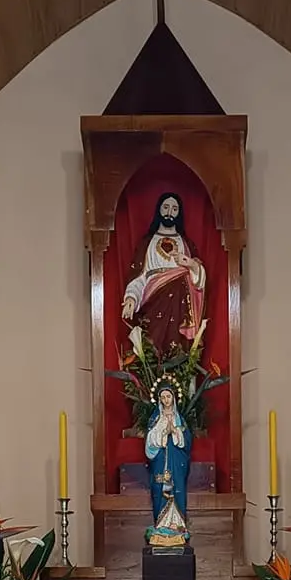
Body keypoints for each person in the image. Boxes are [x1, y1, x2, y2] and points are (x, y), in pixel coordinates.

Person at [120, 192, 207, 358]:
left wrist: (190, 264)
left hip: (180, 308)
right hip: (153, 302)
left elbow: (199, 282)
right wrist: (131, 297)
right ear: (159, 209)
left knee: (178, 352)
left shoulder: (186, 243)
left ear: (179, 213)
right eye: (166, 207)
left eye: (174, 209)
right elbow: (139, 276)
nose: (169, 212)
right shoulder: (147, 243)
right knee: (152, 348)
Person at [144, 381, 191, 531]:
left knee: (177, 490)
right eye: (163, 397)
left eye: (168, 396)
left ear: (173, 398)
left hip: (177, 464)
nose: (166, 400)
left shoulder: (179, 420)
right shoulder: (155, 419)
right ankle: (161, 525)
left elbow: (187, 442)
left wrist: (176, 432)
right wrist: (163, 433)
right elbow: (149, 442)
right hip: (160, 464)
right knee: (159, 492)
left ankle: (177, 526)